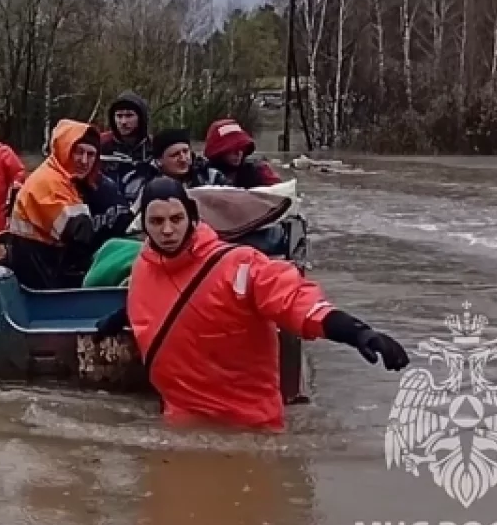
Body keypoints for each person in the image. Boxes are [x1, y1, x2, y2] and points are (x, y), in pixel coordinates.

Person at [95, 177, 408, 430]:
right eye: (157, 221)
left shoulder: (240, 267)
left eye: (176, 219)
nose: (167, 230)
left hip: (250, 429)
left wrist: (357, 333)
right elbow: (160, 301)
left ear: (192, 216)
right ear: (144, 225)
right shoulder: (143, 268)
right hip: (179, 425)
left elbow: (296, 301)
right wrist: (118, 317)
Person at [9, 119, 133, 289]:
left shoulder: (67, 180)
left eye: (90, 155)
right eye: (78, 152)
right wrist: (116, 218)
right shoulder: (48, 183)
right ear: (64, 150)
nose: (84, 161)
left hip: (46, 267)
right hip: (40, 276)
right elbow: (80, 235)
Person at [196, 118, 282, 189]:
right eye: (232, 149)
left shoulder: (259, 172)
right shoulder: (203, 175)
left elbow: (279, 193)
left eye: (242, 148)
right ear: (218, 152)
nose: (239, 153)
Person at [149, 128, 230, 189]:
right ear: (159, 161)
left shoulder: (210, 176)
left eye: (185, 151)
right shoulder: (146, 182)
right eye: (175, 155)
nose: (183, 159)